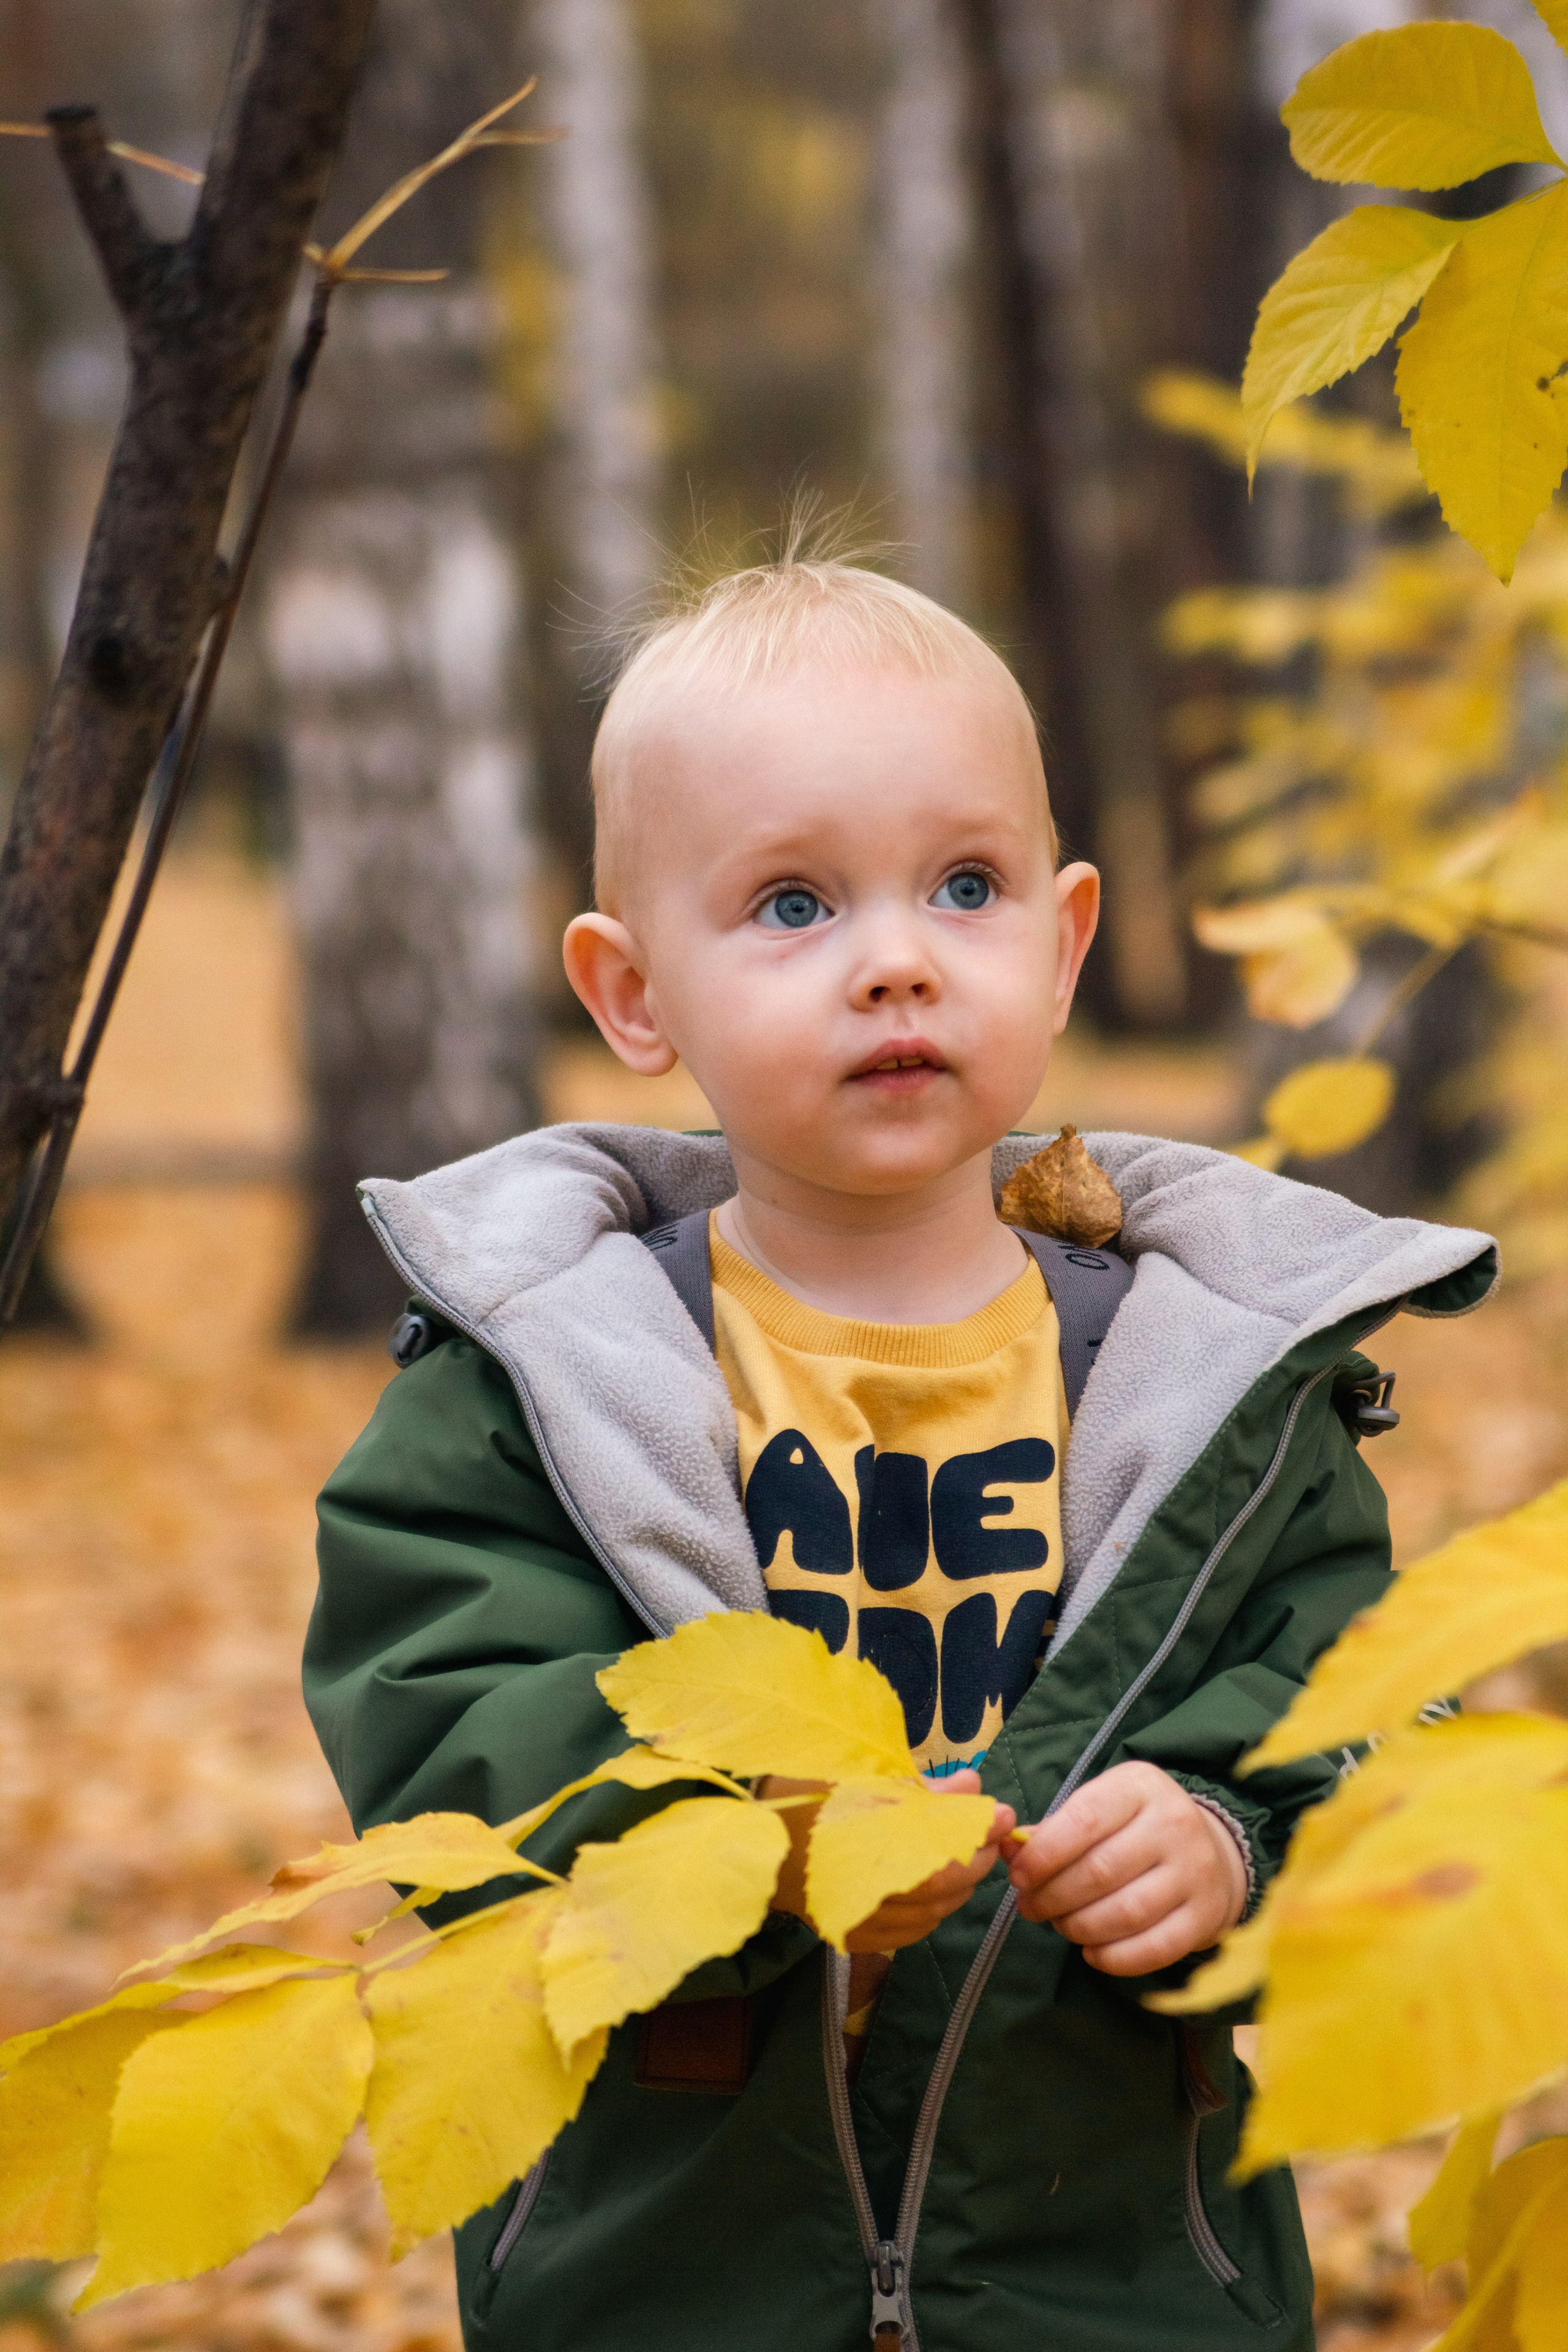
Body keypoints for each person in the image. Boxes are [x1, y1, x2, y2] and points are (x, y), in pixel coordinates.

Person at [304, 554, 1495, 2352]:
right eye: (792, 903)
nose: (897, 961)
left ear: (1067, 939)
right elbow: (449, 1729)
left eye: (966, 886)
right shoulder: (547, 1379)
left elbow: (1360, 1713)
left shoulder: (1208, 1383)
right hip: (669, 2268)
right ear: (636, 996)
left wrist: (1233, 1836)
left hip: (1111, 2261)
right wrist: (747, 1850)